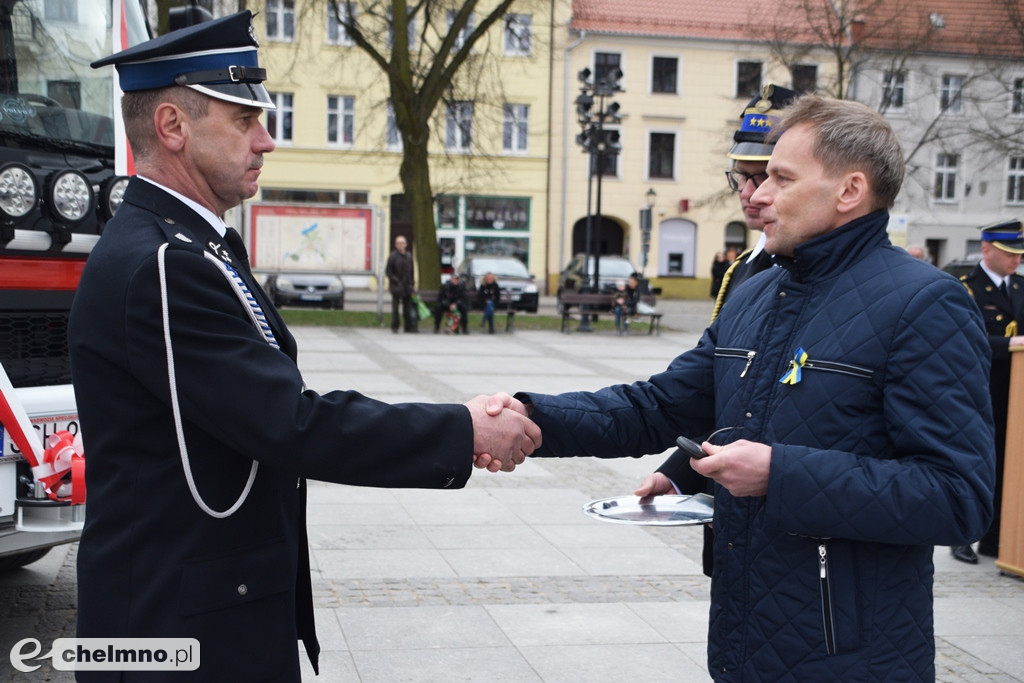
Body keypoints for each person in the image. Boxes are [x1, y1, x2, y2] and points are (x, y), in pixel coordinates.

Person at [70, 13, 540, 682]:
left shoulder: (193, 247)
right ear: (172, 127)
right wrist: (460, 427)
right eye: (242, 120)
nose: (266, 139)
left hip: (200, 612)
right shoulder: (165, 265)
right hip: (177, 631)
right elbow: (289, 422)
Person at [508, 95, 994, 680]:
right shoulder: (754, 293)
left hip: (853, 654)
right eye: (756, 178)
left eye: (780, 178)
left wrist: (779, 475)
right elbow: (660, 406)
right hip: (745, 638)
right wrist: (526, 416)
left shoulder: (925, 303)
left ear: (849, 191)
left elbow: (957, 497)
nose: (757, 195)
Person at [950, 220, 1024, 564]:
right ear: (986, 249)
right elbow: (966, 340)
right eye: (1009, 254)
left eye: (1019, 255)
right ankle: (961, 537)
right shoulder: (966, 288)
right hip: (979, 390)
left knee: (1011, 466)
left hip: (1016, 392)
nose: (1016, 261)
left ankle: (998, 541)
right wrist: (1010, 343)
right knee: (977, 463)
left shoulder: (1021, 286)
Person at [711, 84, 799, 321]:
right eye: (741, 175)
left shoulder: (816, 270)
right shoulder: (741, 268)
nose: (748, 192)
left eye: (764, 176)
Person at [386, 235, 416, 333]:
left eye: (402, 243)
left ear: (406, 244)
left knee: (407, 309)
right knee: (395, 308)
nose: (401, 245)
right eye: (398, 243)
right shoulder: (393, 256)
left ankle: (408, 327)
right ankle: (395, 326)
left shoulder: (409, 256)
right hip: (396, 286)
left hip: (407, 286)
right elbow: (388, 271)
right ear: (395, 245)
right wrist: (396, 280)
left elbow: (412, 271)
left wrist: (412, 283)